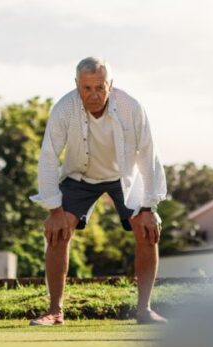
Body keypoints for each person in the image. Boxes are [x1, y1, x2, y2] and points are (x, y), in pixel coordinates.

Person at [29, 57, 168, 326]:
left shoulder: (131, 107)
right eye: (86, 88)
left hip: (124, 177)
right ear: (77, 85)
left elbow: (148, 154)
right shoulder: (64, 108)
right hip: (79, 177)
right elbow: (48, 157)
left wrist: (149, 207)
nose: (93, 95)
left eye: (99, 88)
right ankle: (55, 311)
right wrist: (54, 210)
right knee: (57, 232)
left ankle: (144, 310)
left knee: (147, 230)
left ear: (110, 85)